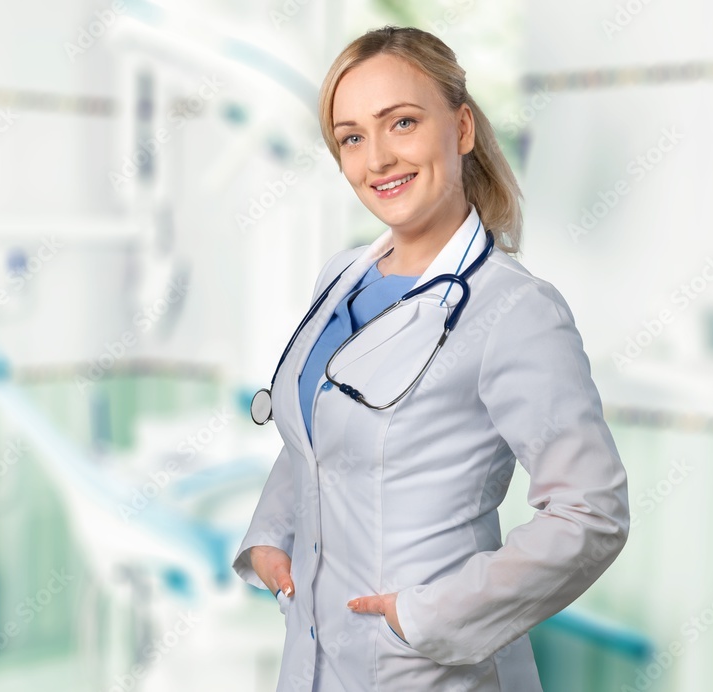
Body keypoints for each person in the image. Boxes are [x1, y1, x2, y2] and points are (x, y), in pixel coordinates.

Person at [231, 25, 630, 691]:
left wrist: (424, 615)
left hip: (427, 671)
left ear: (463, 127)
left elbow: (591, 512)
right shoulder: (340, 278)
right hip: (311, 659)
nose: (378, 158)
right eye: (353, 136)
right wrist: (272, 537)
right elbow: (323, 431)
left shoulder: (514, 309)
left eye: (403, 123)